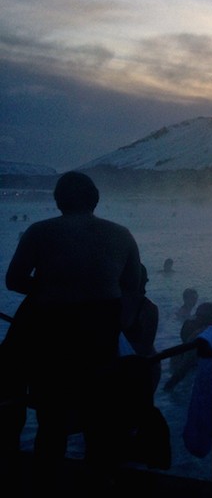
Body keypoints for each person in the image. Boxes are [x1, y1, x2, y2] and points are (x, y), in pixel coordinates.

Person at [3, 171, 142, 488]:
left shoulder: (41, 232)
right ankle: (97, 480)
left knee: (51, 417)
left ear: (58, 200)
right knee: (97, 415)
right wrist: (120, 323)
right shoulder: (121, 234)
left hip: (53, 329)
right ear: (95, 199)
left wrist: (50, 286)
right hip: (101, 329)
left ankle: (44, 482)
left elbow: (13, 280)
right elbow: (132, 287)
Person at [121, 263, 161, 392]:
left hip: (142, 370)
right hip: (138, 368)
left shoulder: (148, 308)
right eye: (143, 281)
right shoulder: (148, 309)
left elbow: (145, 348)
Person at [163, 302, 212, 392]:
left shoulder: (196, 339)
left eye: (198, 316)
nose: (195, 318)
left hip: (192, 387)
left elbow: (179, 373)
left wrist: (166, 389)